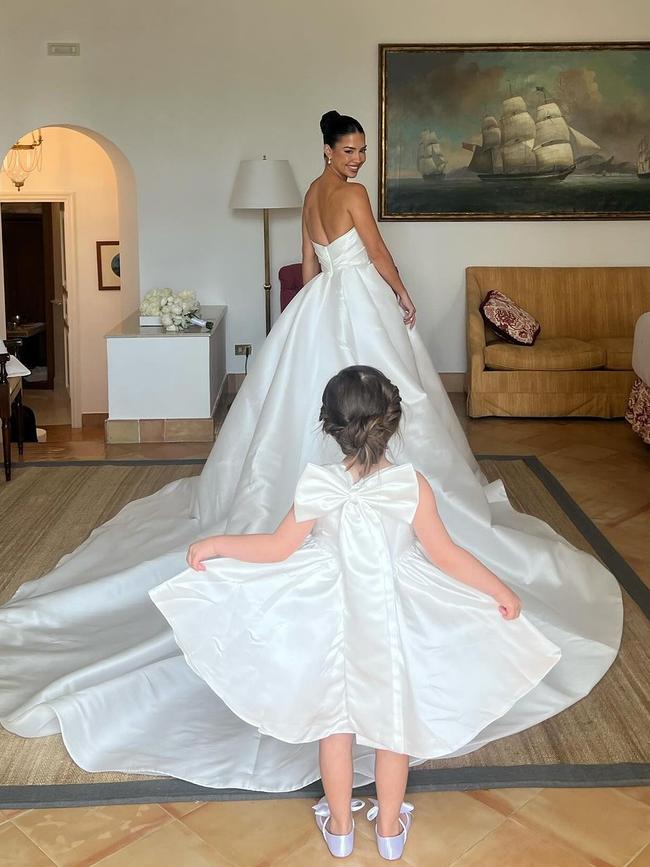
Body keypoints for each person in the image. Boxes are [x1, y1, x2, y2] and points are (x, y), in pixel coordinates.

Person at [0, 110, 622, 801]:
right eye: (348, 149)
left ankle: (327, 489)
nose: (356, 159)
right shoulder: (352, 196)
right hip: (359, 300)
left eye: (361, 150)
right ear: (327, 148)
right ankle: (382, 487)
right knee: (393, 395)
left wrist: (317, 298)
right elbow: (378, 253)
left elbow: (304, 262)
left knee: (296, 408)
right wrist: (402, 293)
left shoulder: (311, 195)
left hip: (321, 300)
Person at [149, 366, 561, 860]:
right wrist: (499, 589)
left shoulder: (317, 483)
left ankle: (341, 826)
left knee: (335, 724)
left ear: (329, 426)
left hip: (330, 614)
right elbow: (446, 554)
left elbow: (278, 548)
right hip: (393, 615)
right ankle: (388, 830)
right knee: (394, 725)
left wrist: (217, 544)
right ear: (392, 422)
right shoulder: (411, 485)